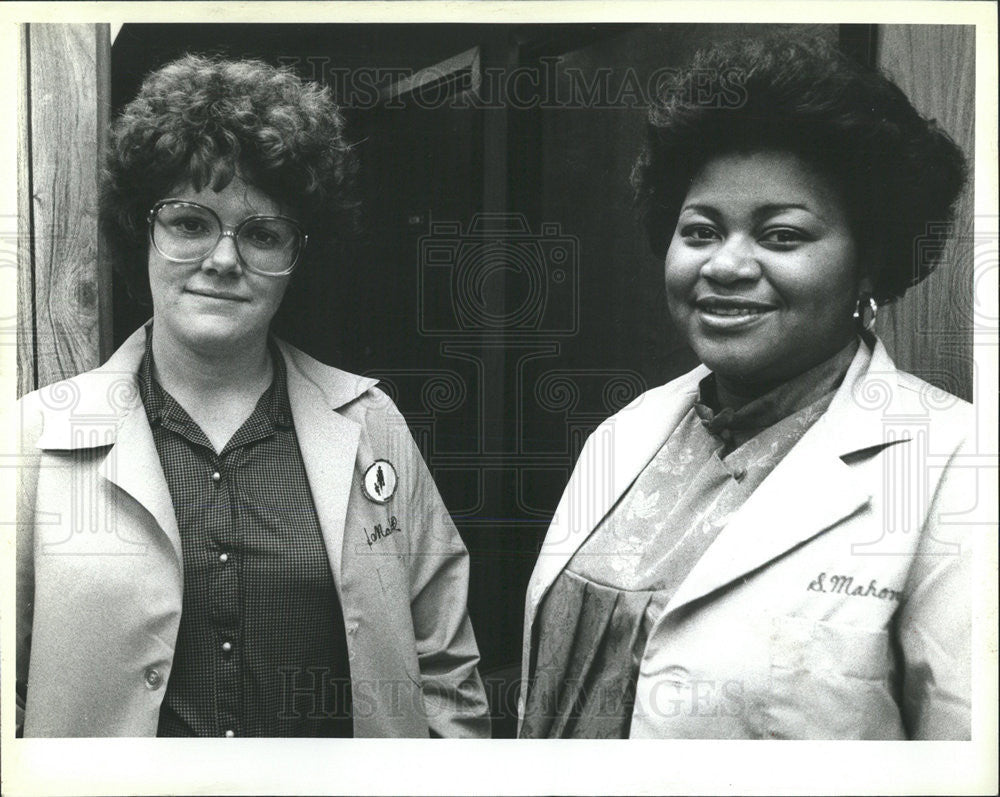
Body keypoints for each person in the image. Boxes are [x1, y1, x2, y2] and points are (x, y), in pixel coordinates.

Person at [16, 55, 490, 738]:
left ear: (300, 258)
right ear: (139, 233)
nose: (223, 258)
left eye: (262, 233)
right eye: (189, 222)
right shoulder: (38, 439)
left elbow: (445, 674)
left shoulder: (371, 425)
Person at [518, 36, 973, 740]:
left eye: (782, 236)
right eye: (701, 230)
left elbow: (967, 758)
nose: (726, 264)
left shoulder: (954, 464)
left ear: (868, 264)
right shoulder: (626, 434)